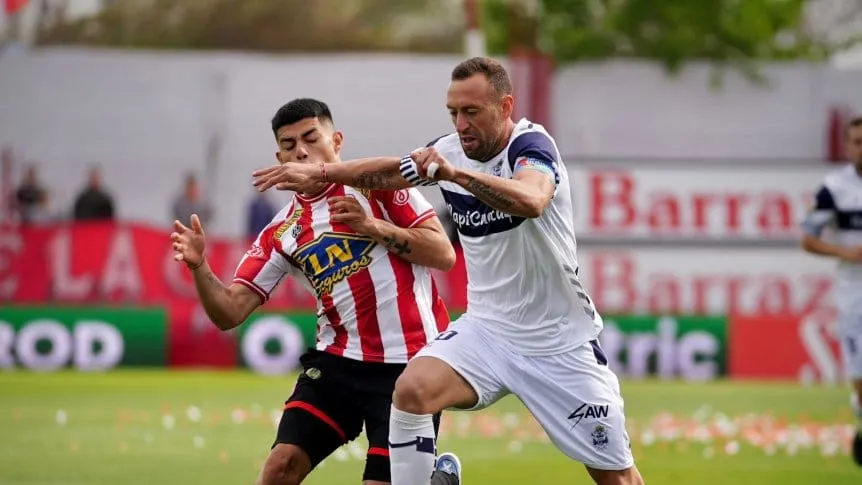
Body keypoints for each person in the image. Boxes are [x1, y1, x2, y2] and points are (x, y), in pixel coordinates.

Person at [252, 57, 644, 485]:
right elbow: (388, 172)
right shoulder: (450, 149)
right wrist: (322, 171)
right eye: (453, 113)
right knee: (411, 390)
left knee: (615, 478)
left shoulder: (531, 147)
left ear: (505, 106)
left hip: (558, 342)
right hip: (488, 331)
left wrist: (455, 174)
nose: (461, 124)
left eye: (471, 112)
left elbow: (532, 200)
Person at [171, 98, 462, 485]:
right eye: (289, 145)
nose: (301, 150)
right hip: (336, 364)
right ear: (279, 157)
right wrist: (199, 266)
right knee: (279, 469)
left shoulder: (379, 186)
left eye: (311, 138)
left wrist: (373, 228)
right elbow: (229, 311)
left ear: (336, 141)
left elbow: (444, 254)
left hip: (408, 367)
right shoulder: (281, 231)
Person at [801, 116, 862, 466]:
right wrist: (845, 252)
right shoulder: (834, 188)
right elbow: (808, 239)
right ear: (847, 145)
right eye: (855, 141)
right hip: (855, 292)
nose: (860, 148)